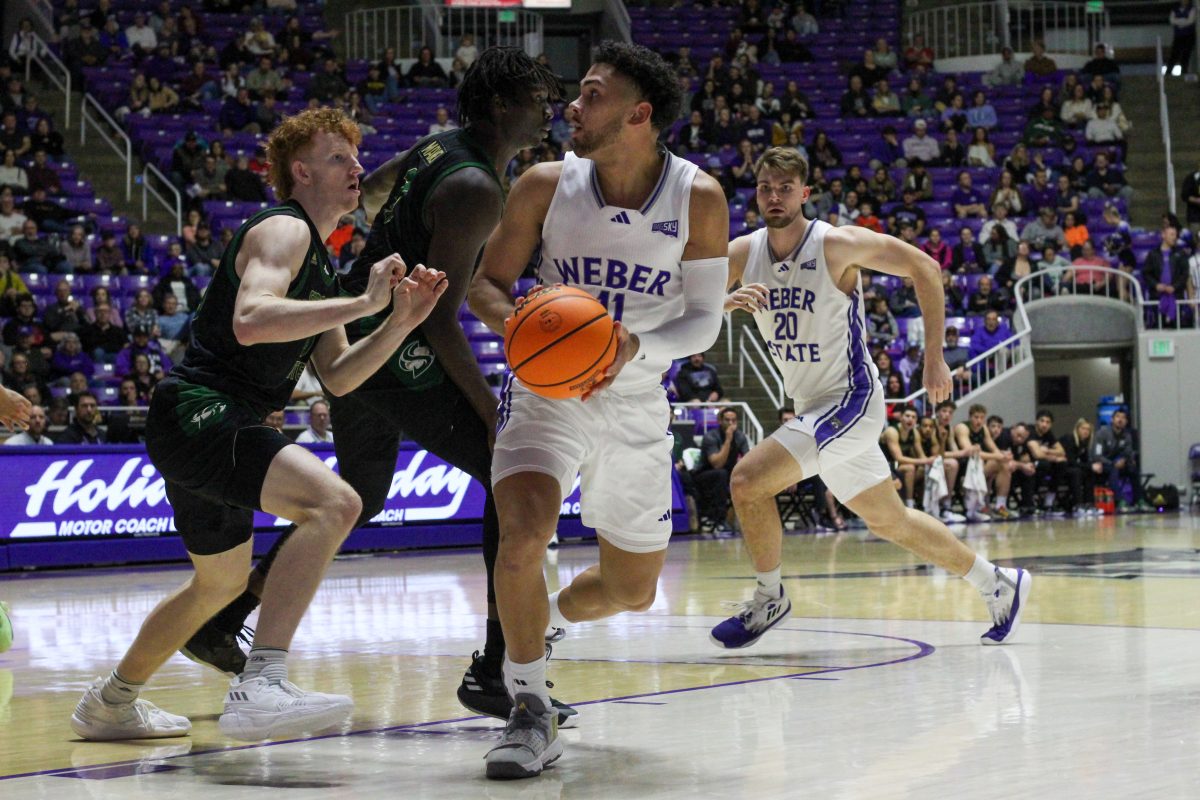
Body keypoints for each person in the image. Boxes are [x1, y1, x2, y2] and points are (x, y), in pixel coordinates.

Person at [190, 48, 575, 731]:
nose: (548, 109)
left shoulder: (436, 149)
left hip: (359, 337)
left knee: (359, 499)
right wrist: (491, 411)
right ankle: (494, 666)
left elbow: (369, 195)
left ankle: (224, 619)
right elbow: (444, 320)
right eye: (535, 97)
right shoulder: (477, 186)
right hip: (397, 349)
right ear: (498, 107)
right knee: (505, 473)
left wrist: (382, 256)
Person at [69, 108, 447, 744]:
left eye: (357, 158)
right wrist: (363, 303)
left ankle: (110, 702)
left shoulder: (320, 262)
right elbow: (251, 318)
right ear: (301, 171)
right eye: (338, 158)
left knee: (219, 585)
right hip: (203, 409)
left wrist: (399, 322)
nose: (357, 168)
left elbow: (341, 375)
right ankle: (261, 684)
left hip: (203, 421)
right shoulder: (283, 229)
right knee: (336, 503)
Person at [466, 41, 729, 779]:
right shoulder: (545, 183)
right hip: (545, 393)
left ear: (638, 115)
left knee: (631, 590)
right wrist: (527, 324)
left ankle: (542, 622)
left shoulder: (696, 196)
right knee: (521, 539)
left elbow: (705, 319)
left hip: (637, 398)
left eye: (589, 96)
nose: (570, 110)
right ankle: (526, 705)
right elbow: (485, 285)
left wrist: (625, 346)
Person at [711, 147, 1030, 665]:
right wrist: (724, 303)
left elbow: (924, 268)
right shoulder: (743, 254)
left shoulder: (836, 244)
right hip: (814, 406)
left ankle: (770, 598)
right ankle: (998, 583)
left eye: (785, 187)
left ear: (804, 193)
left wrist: (934, 360)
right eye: (766, 187)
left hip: (851, 400)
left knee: (746, 481)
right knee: (891, 520)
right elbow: (689, 303)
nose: (774, 196)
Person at [1093, 408, 1146, 511]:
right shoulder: (1102, 433)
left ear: (1126, 422)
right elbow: (1097, 455)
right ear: (1112, 419)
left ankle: (1139, 500)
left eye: (1123, 418)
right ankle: (1119, 501)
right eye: (1117, 417)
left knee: (1133, 468)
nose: (1120, 420)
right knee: (1113, 469)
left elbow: (1128, 453)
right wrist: (1113, 463)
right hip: (1103, 464)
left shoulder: (1127, 436)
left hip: (1118, 464)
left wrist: (1124, 460)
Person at [1061, 418, 1100, 516]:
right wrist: (1090, 466)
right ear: (1077, 429)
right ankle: (1077, 505)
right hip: (1060, 469)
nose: (1086, 431)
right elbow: (1071, 461)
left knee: (1089, 472)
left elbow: (1085, 461)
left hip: (1073, 468)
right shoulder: (1069, 439)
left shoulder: (1084, 444)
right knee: (1077, 472)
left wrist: (1093, 466)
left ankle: (1089, 504)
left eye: (1088, 429)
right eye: (1083, 428)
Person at [1168, 1, 1198, 77]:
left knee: (1186, 54)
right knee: (1174, 54)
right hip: (1178, 36)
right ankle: (1168, 72)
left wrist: (1179, 22)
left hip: (1189, 36)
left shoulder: (1192, 9)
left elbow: (1190, 21)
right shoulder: (1175, 9)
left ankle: (1184, 72)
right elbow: (1172, 20)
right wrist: (1183, 21)